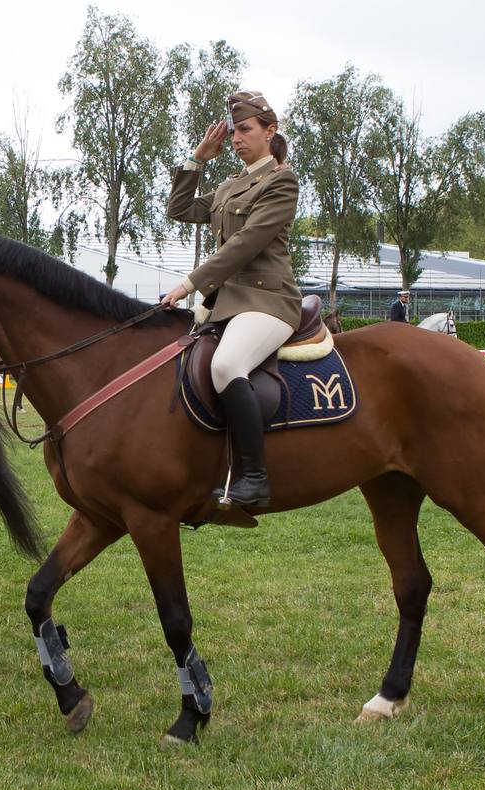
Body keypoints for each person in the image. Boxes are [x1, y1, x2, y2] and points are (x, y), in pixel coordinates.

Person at [162, 90, 303, 509]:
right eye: (234, 131)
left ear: (269, 131)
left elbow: (245, 244)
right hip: (226, 306)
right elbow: (179, 208)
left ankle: (255, 479)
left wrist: (190, 283)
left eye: (245, 129)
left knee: (226, 365)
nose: (237, 138)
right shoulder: (230, 185)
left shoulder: (281, 181)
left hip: (269, 302)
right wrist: (198, 158)